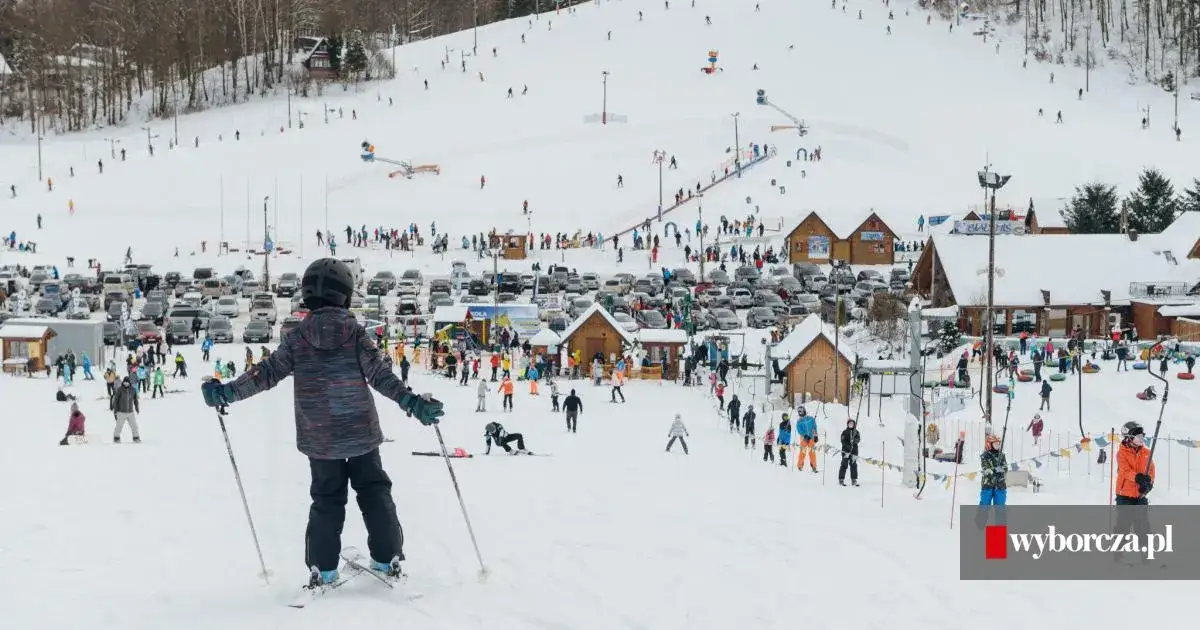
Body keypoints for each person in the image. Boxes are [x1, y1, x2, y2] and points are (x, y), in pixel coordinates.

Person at [200, 258, 444, 591]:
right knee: (374, 492)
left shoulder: (297, 337)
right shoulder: (355, 334)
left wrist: (227, 392)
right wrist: (411, 402)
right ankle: (388, 557)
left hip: (320, 438)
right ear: (344, 294)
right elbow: (381, 376)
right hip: (360, 433)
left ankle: (323, 568)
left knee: (327, 499)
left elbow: (266, 374)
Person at [110, 376, 142, 443]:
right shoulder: (120, 389)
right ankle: (116, 438)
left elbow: (135, 400)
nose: (126, 383)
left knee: (134, 426)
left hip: (130, 412)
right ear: (123, 382)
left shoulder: (133, 390)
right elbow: (116, 401)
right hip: (121, 412)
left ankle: (136, 437)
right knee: (119, 426)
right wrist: (115, 411)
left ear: (129, 382)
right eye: (125, 382)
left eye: (127, 382)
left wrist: (137, 408)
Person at [979, 434, 1007, 507]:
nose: (997, 446)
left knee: (1000, 505)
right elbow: (986, 469)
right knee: (984, 505)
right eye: (995, 444)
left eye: (998, 444)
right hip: (988, 484)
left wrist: (999, 469)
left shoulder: (1002, 455)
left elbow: (1005, 468)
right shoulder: (985, 456)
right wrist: (995, 469)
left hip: (1000, 484)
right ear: (990, 444)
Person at [838, 419, 861, 486]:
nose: (851, 425)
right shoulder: (844, 432)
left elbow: (858, 439)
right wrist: (847, 446)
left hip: (854, 451)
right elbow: (842, 440)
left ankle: (854, 479)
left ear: (854, 425)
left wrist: (854, 441)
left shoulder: (856, 432)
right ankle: (841, 479)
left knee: (853, 465)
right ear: (847, 424)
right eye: (849, 424)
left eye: (852, 424)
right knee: (844, 464)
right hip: (845, 451)